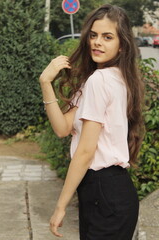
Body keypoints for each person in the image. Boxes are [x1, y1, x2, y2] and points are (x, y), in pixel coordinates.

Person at [39, 4, 144, 240]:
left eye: (108, 37)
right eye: (94, 35)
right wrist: (46, 82)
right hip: (107, 193)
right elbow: (62, 128)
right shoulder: (106, 79)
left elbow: (86, 151)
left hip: (104, 190)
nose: (97, 42)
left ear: (121, 45)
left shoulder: (100, 80)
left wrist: (60, 205)